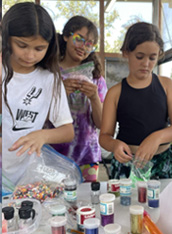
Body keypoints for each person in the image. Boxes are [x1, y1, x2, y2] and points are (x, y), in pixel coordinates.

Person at [99, 22, 172, 179]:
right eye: (139, 57)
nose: (146, 64)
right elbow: (105, 136)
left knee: (162, 204)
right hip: (127, 162)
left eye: (152, 58)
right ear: (126, 52)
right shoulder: (115, 93)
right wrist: (115, 145)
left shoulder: (166, 85)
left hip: (162, 161)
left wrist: (157, 137)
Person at [2, 2, 74, 185]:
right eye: (22, 45)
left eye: (39, 49)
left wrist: (43, 135)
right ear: (6, 38)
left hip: (28, 175)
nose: (30, 55)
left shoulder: (49, 79)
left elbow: (67, 131)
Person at [46, 16, 107, 182]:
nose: (83, 47)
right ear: (66, 36)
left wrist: (94, 97)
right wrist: (60, 94)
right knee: (55, 202)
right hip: (53, 154)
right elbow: (40, 117)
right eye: (79, 39)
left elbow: (102, 124)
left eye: (89, 44)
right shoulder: (49, 72)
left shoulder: (96, 78)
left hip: (87, 155)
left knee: (86, 203)